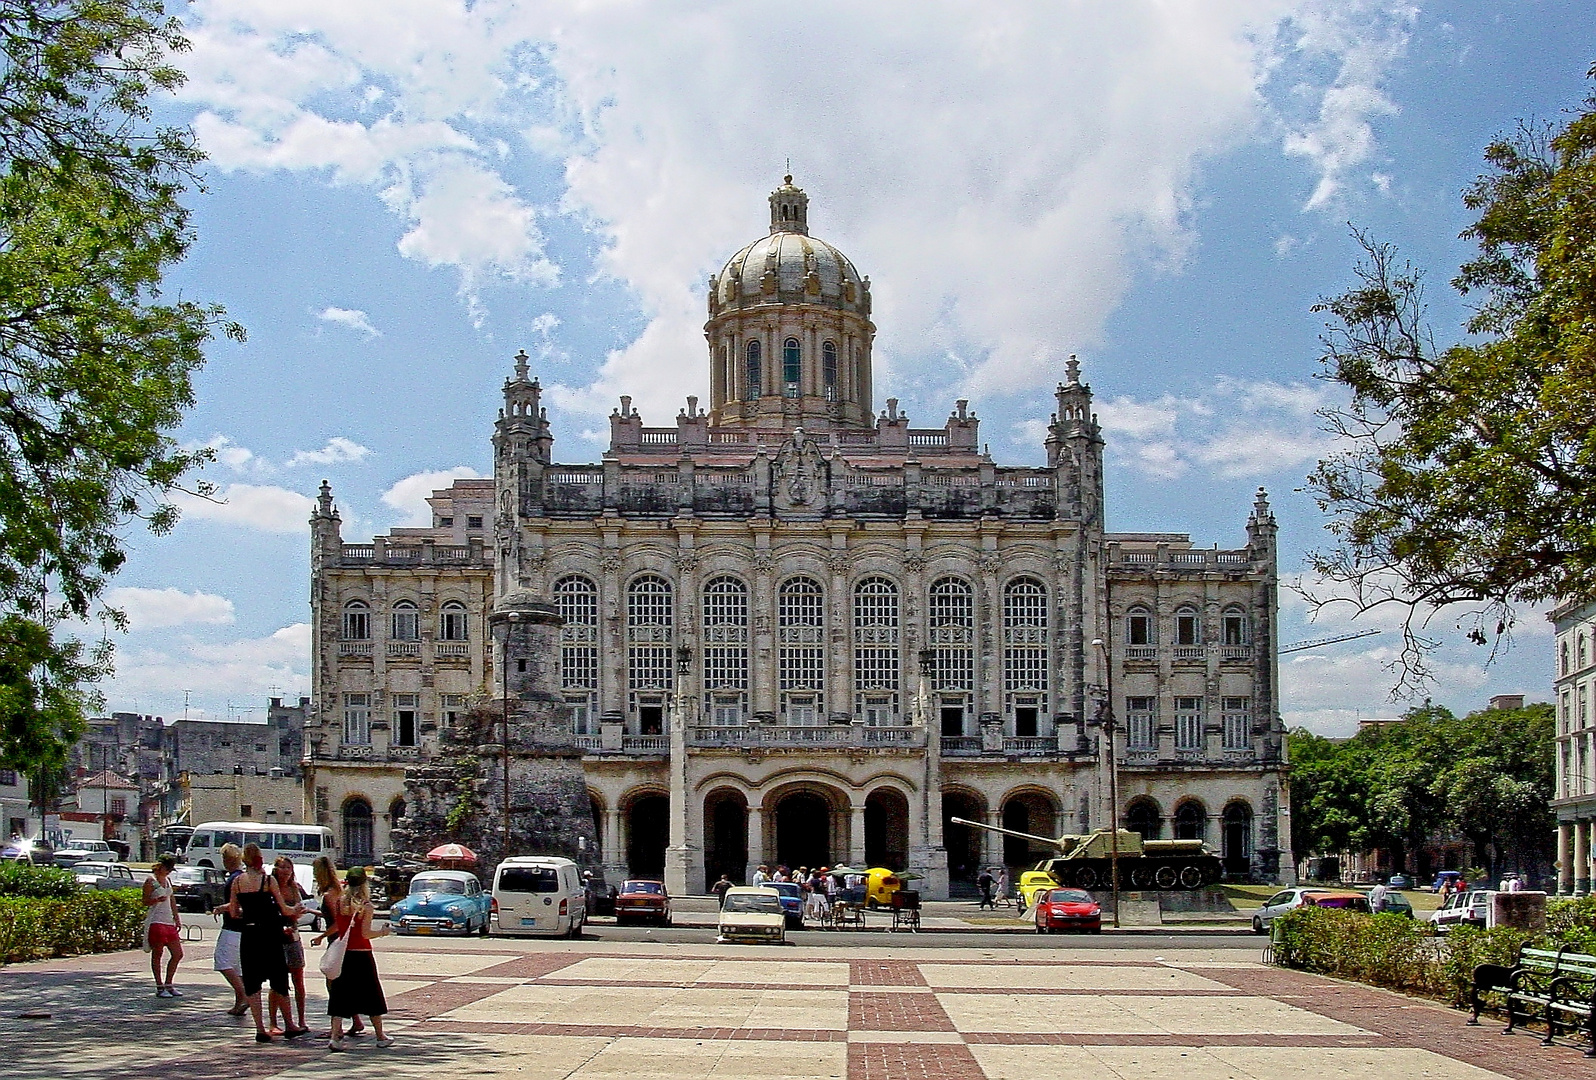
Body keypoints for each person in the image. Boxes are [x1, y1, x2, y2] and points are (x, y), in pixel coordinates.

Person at [227, 842, 302, 1043]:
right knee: (279, 979)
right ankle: (289, 1024)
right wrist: (296, 910)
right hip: (270, 933)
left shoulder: (237, 882)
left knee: (252, 983)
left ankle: (260, 1028)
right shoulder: (268, 881)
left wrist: (248, 913)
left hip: (249, 935)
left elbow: (234, 912)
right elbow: (284, 909)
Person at [326, 865, 391, 1051]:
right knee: (372, 995)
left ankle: (335, 1037)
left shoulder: (339, 902)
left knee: (339, 995)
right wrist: (383, 932)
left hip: (344, 954)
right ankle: (380, 1035)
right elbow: (365, 933)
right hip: (362, 955)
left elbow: (339, 927)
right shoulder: (366, 906)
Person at [270, 857, 311, 1036]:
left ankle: (301, 1019)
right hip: (276, 936)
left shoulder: (294, 887)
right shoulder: (271, 887)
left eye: (288, 867)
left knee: (298, 977)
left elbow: (298, 910)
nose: (286, 871)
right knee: (277, 981)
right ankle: (273, 1022)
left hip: (293, 935)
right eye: (282, 867)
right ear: (276, 869)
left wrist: (296, 914)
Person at [215, 843, 249, 1015]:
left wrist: (223, 908)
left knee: (223, 962)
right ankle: (239, 1002)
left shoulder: (233, 880)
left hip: (232, 928)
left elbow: (237, 904)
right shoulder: (244, 877)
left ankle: (243, 995)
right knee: (238, 967)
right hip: (243, 930)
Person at [143, 853, 184, 997]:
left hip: (168, 921)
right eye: (167, 869)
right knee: (158, 954)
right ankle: (159, 986)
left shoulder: (167, 881)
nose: (168, 872)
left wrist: (176, 918)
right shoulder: (150, 881)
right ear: (160, 867)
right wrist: (155, 900)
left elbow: (171, 900)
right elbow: (145, 901)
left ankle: (169, 983)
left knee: (178, 954)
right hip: (156, 920)